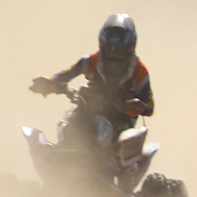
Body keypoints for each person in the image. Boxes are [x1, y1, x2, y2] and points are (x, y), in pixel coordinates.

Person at [28, 14, 153, 153]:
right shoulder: (90, 61)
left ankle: (115, 161)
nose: (114, 53)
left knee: (120, 141)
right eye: (110, 48)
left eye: (119, 50)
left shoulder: (139, 70)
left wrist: (129, 105)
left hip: (120, 118)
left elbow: (149, 106)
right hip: (89, 107)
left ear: (130, 47)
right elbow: (64, 75)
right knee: (68, 125)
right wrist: (50, 83)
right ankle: (58, 152)